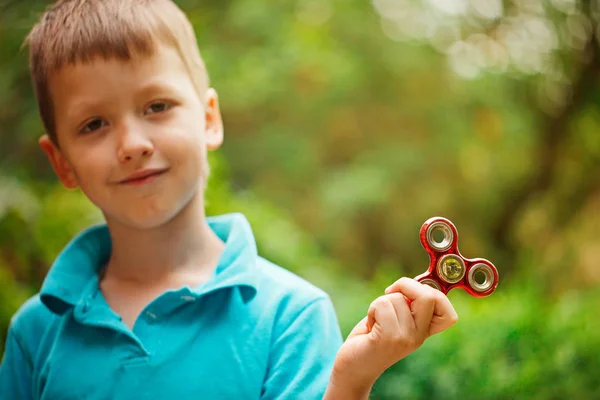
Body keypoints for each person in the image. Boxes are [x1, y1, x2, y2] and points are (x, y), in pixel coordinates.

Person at [0, 1, 458, 399]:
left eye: (157, 106)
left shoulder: (291, 318)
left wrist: (350, 383)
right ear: (61, 162)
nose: (132, 143)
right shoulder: (35, 333)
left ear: (208, 119)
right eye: (94, 124)